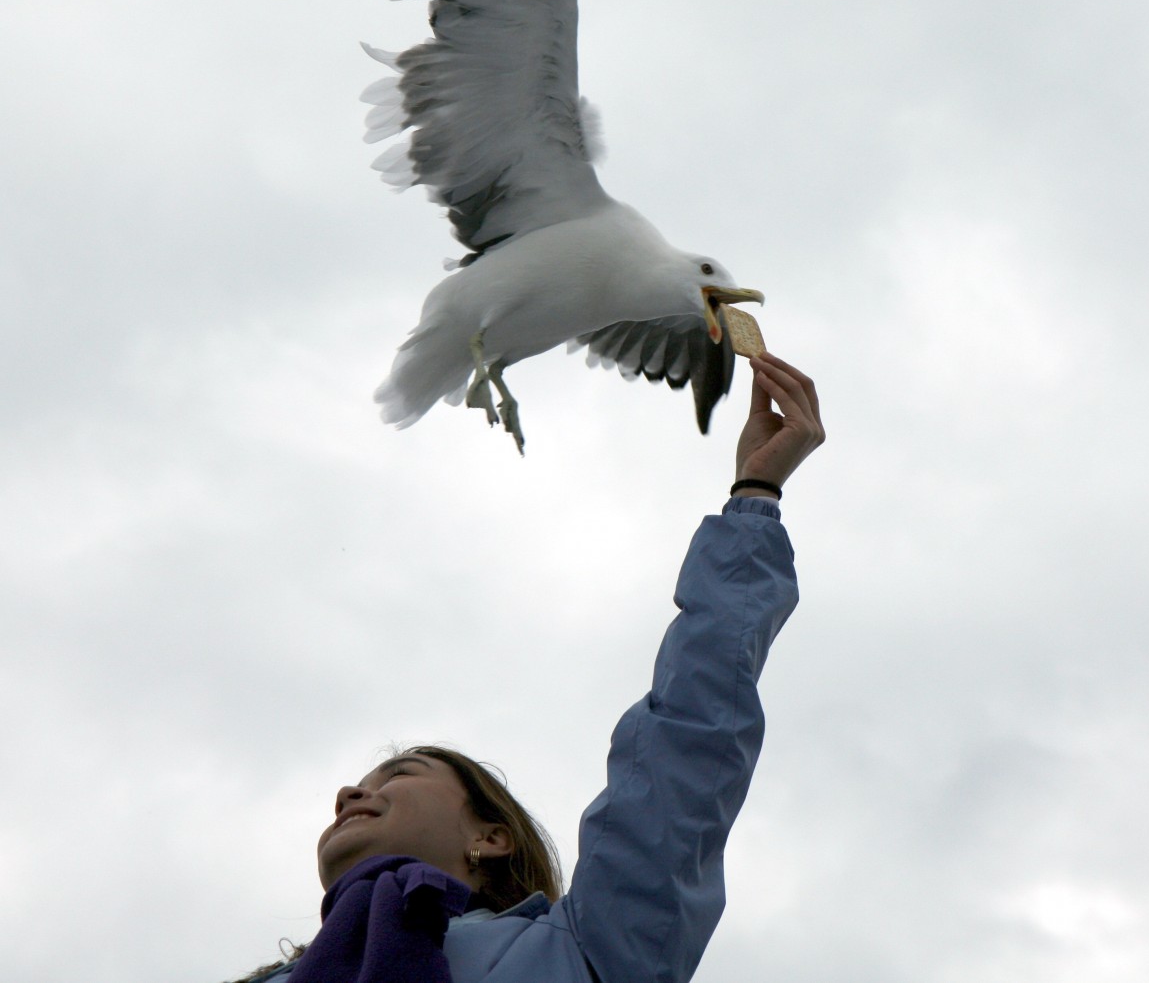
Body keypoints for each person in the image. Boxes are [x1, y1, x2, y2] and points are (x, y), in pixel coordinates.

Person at [228, 352, 824, 983]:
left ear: (490, 839)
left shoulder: (589, 950)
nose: (350, 793)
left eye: (398, 774)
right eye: (367, 781)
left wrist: (755, 495)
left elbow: (690, 736)